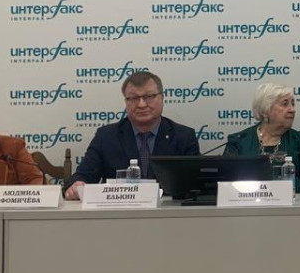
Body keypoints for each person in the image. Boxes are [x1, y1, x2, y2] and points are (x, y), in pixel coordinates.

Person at [64, 71, 200, 200]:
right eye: (134, 98)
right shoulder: (106, 137)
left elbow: (196, 184)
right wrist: (77, 185)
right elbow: (83, 176)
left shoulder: (183, 137)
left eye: (149, 97)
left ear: (162, 98)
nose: (141, 104)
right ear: (126, 102)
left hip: (168, 213)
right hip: (120, 213)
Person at [223, 83, 300, 193]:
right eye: (285, 104)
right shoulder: (239, 141)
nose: (292, 109)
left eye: (293, 104)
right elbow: (225, 180)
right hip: (247, 200)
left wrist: (280, 187)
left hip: (291, 202)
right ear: (265, 110)